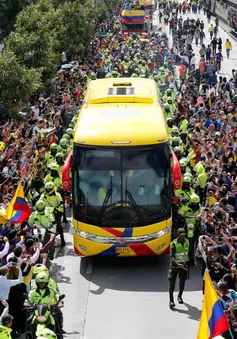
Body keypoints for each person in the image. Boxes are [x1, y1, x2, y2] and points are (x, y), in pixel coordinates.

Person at [168, 228, 190, 309]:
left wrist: (193, 260)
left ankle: (180, 296)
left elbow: (189, 252)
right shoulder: (173, 243)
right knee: (172, 284)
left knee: (182, 282)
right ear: (178, 235)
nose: (183, 237)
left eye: (184, 235)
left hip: (183, 266)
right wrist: (177, 264)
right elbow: (171, 257)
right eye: (181, 235)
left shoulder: (187, 241)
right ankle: (171, 301)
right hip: (175, 266)